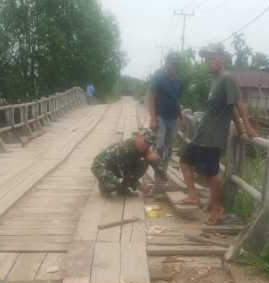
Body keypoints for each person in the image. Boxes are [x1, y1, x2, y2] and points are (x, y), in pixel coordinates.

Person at [179, 42, 257, 225]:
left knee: (210, 174)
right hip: (202, 134)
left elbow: (238, 104)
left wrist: (247, 127)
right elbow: (231, 109)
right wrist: (238, 128)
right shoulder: (215, 80)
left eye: (212, 58)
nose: (208, 62)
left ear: (222, 59)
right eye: (206, 59)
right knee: (184, 161)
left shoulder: (226, 79)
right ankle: (194, 196)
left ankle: (218, 208)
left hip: (212, 137)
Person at [91, 129, 162, 196]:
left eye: (149, 144)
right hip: (101, 166)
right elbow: (126, 174)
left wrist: (158, 170)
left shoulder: (142, 147)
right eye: (145, 141)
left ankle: (122, 189)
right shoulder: (126, 149)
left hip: (116, 165)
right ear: (138, 137)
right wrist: (139, 186)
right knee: (116, 182)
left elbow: (153, 161)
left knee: (144, 163)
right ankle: (105, 186)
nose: (146, 145)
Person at [148, 52, 182, 183]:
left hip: (173, 119)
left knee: (169, 148)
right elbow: (152, 98)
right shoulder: (159, 78)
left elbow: (177, 100)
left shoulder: (179, 82)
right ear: (166, 63)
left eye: (176, 64)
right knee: (159, 146)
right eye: (172, 63)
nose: (174, 66)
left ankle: (163, 172)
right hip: (160, 116)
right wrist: (152, 118)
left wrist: (181, 117)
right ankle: (157, 173)